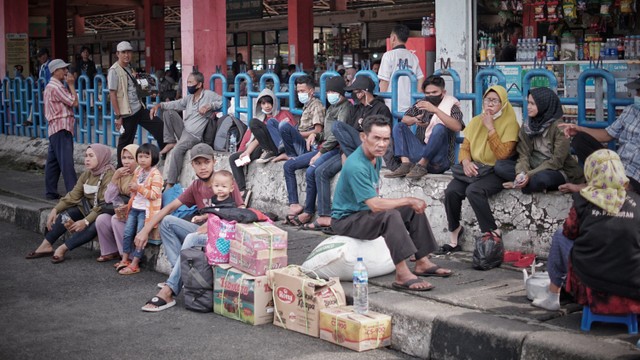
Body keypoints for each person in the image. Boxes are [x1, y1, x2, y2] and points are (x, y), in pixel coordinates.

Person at [330, 115, 451, 291]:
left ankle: (422, 261)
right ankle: (402, 274)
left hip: (363, 213)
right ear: (364, 137)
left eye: (386, 139)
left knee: (410, 209)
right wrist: (409, 199)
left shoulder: (376, 158)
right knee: (391, 215)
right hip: (346, 220)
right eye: (376, 138)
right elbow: (375, 205)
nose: (382, 144)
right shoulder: (356, 165)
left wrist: (408, 203)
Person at [135, 143, 244, 311]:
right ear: (192, 165)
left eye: (206, 162)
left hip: (222, 234)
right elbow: (170, 207)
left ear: (214, 162)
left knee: (191, 238)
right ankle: (183, 276)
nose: (202, 167)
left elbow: (239, 211)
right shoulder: (196, 186)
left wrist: (210, 222)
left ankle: (169, 290)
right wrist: (146, 229)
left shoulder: (224, 181)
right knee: (167, 222)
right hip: (204, 232)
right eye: (198, 163)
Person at [533, 150, 639, 311]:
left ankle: (553, 294)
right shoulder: (638, 202)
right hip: (633, 289)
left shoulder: (583, 200)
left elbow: (569, 232)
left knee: (560, 234)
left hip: (591, 288)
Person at [442, 85, 519, 254]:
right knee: (451, 192)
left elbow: (503, 154)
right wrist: (466, 163)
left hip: (494, 171)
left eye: (494, 101)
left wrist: (491, 128)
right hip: (474, 168)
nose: (490, 104)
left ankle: (492, 232)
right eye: (487, 100)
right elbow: (465, 148)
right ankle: (455, 231)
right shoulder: (477, 120)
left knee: (474, 191)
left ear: (503, 103)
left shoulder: (510, 123)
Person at [25, 144, 115, 263]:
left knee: (92, 226)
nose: (87, 159)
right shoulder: (87, 174)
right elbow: (73, 195)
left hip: (103, 213)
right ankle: (45, 245)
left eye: (91, 156)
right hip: (88, 209)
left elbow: (103, 205)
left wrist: (85, 221)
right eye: (86, 156)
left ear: (101, 157)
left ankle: (62, 249)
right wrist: (55, 209)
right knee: (66, 215)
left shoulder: (109, 175)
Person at [558, 76, 640, 194]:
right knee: (580, 140)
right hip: (616, 166)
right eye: (636, 92)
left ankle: (590, 187)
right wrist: (579, 129)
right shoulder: (630, 110)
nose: (636, 95)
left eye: (639, 92)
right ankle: (602, 184)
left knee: (627, 186)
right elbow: (607, 134)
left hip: (635, 176)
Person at [283, 76, 347, 226]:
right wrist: (315, 135)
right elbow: (324, 133)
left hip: (334, 149)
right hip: (322, 146)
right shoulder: (332, 107)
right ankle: (295, 205)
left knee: (313, 171)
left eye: (333, 91)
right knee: (289, 166)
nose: (329, 94)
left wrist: (320, 152)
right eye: (328, 91)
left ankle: (310, 212)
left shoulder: (345, 109)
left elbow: (337, 135)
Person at [496, 87, 584, 193]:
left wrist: (528, 175)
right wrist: (521, 173)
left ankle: (521, 184)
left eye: (533, 104)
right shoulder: (527, 126)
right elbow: (524, 154)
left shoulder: (559, 127)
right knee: (500, 166)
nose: (528, 107)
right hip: (533, 167)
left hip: (556, 170)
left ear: (544, 105)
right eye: (528, 103)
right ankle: (523, 182)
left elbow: (557, 162)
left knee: (541, 179)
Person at [149, 71, 223, 188]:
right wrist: (159, 106)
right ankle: (171, 141)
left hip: (194, 136)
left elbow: (226, 102)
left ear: (199, 84)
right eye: (187, 82)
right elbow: (175, 104)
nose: (188, 85)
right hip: (184, 130)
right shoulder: (189, 98)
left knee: (177, 150)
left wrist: (210, 106)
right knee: (168, 113)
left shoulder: (208, 95)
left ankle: (170, 183)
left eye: (190, 82)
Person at [385, 75, 465, 179]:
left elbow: (457, 126)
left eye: (434, 92)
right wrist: (415, 120)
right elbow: (405, 118)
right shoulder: (422, 104)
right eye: (428, 93)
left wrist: (436, 110)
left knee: (439, 128)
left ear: (443, 92)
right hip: (419, 154)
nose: (431, 95)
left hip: (439, 161)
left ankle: (423, 164)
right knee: (399, 126)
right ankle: (405, 164)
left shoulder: (451, 106)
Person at [108, 41, 164, 168]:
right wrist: (118, 116)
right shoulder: (114, 71)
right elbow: (113, 94)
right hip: (127, 113)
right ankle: (120, 169)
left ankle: (165, 152)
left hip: (138, 108)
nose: (126, 55)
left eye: (128, 52)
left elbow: (135, 89)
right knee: (125, 142)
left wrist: (150, 92)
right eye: (123, 52)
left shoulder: (130, 68)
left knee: (159, 126)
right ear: (117, 54)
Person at [229, 88, 295, 196]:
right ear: (260, 105)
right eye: (263, 103)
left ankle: (269, 151)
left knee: (253, 122)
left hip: (280, 147)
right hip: (263, 150)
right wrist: (247, 152)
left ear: (274, 102)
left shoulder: (284, 114)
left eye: (269, 102)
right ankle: (242, 191)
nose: (267, 106)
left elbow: (291, 133)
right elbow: (257, 140)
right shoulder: (262, 119)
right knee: (234, 159)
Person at [116, 144, 163, 275]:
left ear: (153, 157)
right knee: (127, 233)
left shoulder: (156, 174)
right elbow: (135, 191)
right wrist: (133, 189)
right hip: (135, 207)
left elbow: (154, 194)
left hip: (146, 211)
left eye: (146, 156)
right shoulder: (138, 171)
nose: (142, 159)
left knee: (140, 237)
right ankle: (125, 260)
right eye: (140, 156)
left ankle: (135, 263)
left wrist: (138, 188)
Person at [95, 144, 139, 262]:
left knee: (116, 218)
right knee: (102, 219)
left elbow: (140, 199)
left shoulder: (141, 174)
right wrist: (115, 178)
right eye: (124, 158)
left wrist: (127, 206)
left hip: (138, 212)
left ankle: (127, 256)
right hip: (124, 209)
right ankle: (110, 251)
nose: (126, 161)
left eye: (130, 158)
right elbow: (108, 199)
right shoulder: (121, 174)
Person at [43, 59, 79, 201]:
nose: (66, 72)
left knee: (53, 163)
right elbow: (74, 102)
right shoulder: (56, 87)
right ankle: (73, 192)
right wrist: (71, 85)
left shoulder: (51, 86)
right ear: (55, 71)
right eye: (63, 69)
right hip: (61, 127)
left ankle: (51, 192)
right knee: (66, 162)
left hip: (55, 128)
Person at [332, 75, 392, 157]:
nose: (354, 95)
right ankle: (353, 158)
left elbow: (383, 135)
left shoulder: (381, 108)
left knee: (337, 125)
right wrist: (343, 152)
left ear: (362, 93)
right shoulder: (355, 108)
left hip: (370, 144)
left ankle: (354, 160)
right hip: (354, 148)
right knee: (321, 170)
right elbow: (349, 131)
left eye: (355, 92)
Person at [271, 75, 325, 163]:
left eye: (302, 91)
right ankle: (284, 148)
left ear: (311, 91)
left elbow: (318, 131)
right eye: (298, 91)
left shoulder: (316, 106)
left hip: (306, 146)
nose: (300, 94)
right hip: (299, 139)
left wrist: (297, 134)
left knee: (284, 126)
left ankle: (290, 154)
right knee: (272, 122)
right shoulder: (307, 105)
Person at [378, 24, 424, 114]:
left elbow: (384, 81)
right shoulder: (413, 57)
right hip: (410, 106)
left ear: (394, 38)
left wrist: (382, 100)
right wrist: (416, 98)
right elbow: (421, 78)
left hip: (391, 105)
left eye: (391, 36)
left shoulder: (388, 55)